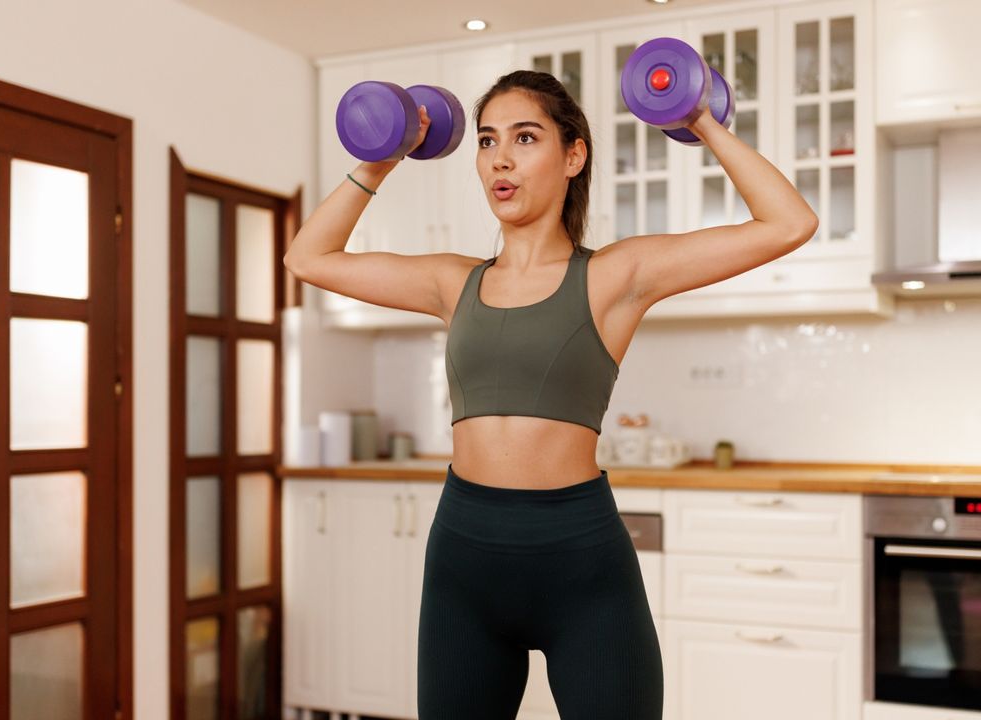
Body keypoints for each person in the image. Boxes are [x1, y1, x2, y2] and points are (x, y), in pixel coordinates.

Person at [285, 69, 817, 720]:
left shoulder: (617, 275)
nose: (500, 159)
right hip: (464, 562)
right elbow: (308, 258)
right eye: (485, 141)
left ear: (573, 155)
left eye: (525, 137)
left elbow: (789, 222)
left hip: (582, 567)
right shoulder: (451, 283)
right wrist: (382, 158)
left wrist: (701, 120)